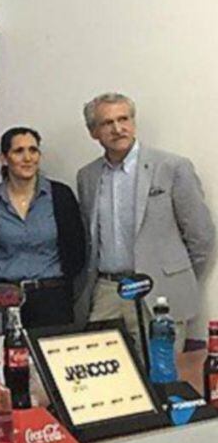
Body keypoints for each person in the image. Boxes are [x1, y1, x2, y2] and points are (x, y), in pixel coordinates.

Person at [76, 92, 214, 354]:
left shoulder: (172, 167)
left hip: (159, 291)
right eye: (107, 123)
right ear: (93, 132)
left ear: (133, 122)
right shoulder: (88, 176)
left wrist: (174, 274)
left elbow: (201, 236)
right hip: (108, 290)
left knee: (162, 381)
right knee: (104, 376)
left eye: (124, 119)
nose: (118, 129)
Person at [0, 127, 85, 330]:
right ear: (4, 157)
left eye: (33, 150)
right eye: (19, 151)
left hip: (52, 300)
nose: (27, 158)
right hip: (3, 301)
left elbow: (77, 248)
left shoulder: (61, 196)